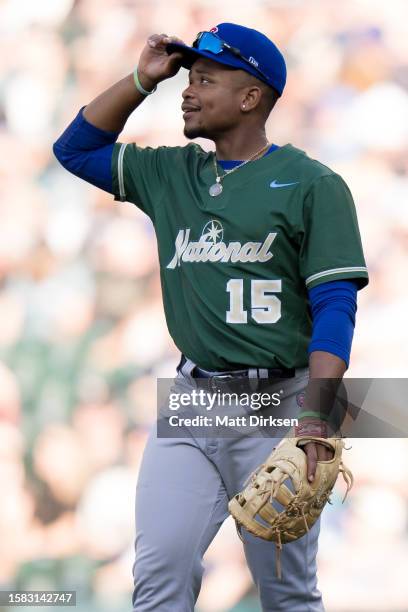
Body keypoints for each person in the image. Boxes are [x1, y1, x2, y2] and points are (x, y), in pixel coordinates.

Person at [54, 23, 368, 612]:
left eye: (205, 80)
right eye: (187, 78)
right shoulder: (173, 172)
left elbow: (335, 308)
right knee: (159, 578)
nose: (187, 91)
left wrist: (318, 417)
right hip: (192, 398)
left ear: (251, 98)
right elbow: (74, 149)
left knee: (286, 595)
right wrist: (142, 78)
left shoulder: (313, 184)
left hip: (279, 404)